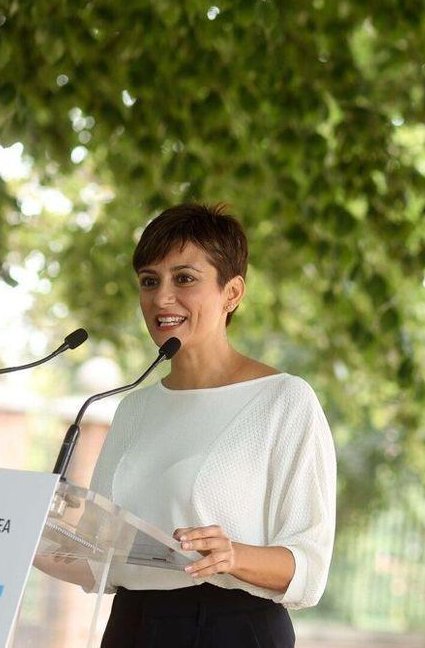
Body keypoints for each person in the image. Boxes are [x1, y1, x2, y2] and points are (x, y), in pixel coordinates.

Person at [87, 203, 336, 647]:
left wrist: (232, 556)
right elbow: (98, 545)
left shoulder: (283, 400)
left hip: (231, 628)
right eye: (149, 281)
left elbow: (310, 568)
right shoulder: (133, 408)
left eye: (184, 278)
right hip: (131, 625)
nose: (162, 298)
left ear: (232, 293)